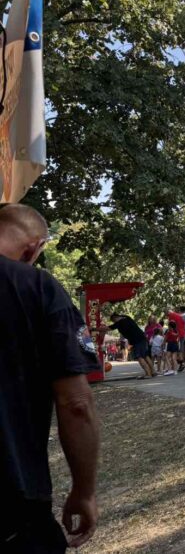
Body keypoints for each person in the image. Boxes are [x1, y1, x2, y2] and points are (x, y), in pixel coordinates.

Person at [0, 204, 100, 552]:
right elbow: (75, 403)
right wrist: (84, 491)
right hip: (14, 505)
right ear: (34, 248)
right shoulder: (37, 287)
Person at [106, 313, 153, 378]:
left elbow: (108, 328)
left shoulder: (119, 323)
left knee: (139, 357)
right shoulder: (127, 317)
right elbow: (122, 316)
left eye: (113, 321)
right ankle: (153, 372)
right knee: (146, 356)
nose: (114, 322)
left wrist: (94, 329)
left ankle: (148, 374)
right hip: (142, 338)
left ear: (114, 318)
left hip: (137, 341)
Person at [164, 307, 185, 372]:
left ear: (167, 312)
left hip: (177, 335)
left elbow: (171, 326)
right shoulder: (178, 315)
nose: (167, 316)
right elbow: (183, 324)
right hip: (182, 333)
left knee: (177, 350)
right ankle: (179, 364)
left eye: (166, 314)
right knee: (180, 349)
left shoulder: (171, 316)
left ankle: (180, 364)